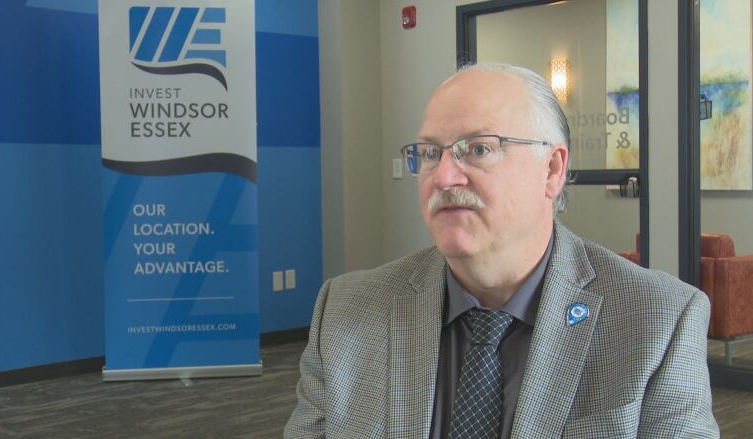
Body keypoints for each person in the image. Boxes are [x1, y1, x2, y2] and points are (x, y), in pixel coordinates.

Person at [284, 63, 719, 438]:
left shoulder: (658, 321)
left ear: (552, 170)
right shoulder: (345, 313)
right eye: (431, 153)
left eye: (478, 149)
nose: (444, 177)